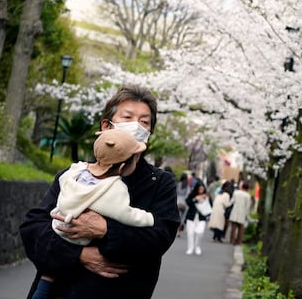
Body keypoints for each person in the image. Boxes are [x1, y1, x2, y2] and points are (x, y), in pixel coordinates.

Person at [20, 85, 180, 299]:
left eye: (144, 122)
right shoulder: (74, 174)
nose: (137, 126)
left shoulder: (160, 183)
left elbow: (160, 237)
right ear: (106, 126)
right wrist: (78, 255)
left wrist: (107, 231)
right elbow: (34, 228)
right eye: (128, 117)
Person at [32, 130, 155, 299]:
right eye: (135, 158)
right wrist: (148, 218)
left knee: (48, 276)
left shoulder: (77, 171)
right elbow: (125, 214)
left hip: (58, 227)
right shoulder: (113, 188)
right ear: (121, 167)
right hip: (76, 237)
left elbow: (62, 180)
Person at [184, 182, 211, 255]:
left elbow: (210, 206)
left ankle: (197, 246)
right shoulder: (193, 195)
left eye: (202, 189)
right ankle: (190, 248)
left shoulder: (206, 196)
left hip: (201, 218)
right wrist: (195, 199)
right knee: (190, 233)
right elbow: (187, 202)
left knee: (200, 232)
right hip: (191, 217)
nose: (201, 190)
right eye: (199, 189)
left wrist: (206, 199)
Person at [228, 180, 252, 245]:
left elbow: (231, 202)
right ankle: (239, 241)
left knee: (233, 228)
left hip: (235, 211)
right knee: (241, 229)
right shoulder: (248, 196)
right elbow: (247, 207)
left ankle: (232, 240)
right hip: (242, 213)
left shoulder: (236, 192)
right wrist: (247, 216)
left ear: (242, 186)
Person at [176, 172, 191, 236]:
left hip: (177, 202)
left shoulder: (178, 184)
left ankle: (176, 231)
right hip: (184, 203)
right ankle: (179, 231)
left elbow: (175, 193)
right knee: (182, 218)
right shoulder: (187, 186)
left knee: (178, 217)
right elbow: (188, 195)